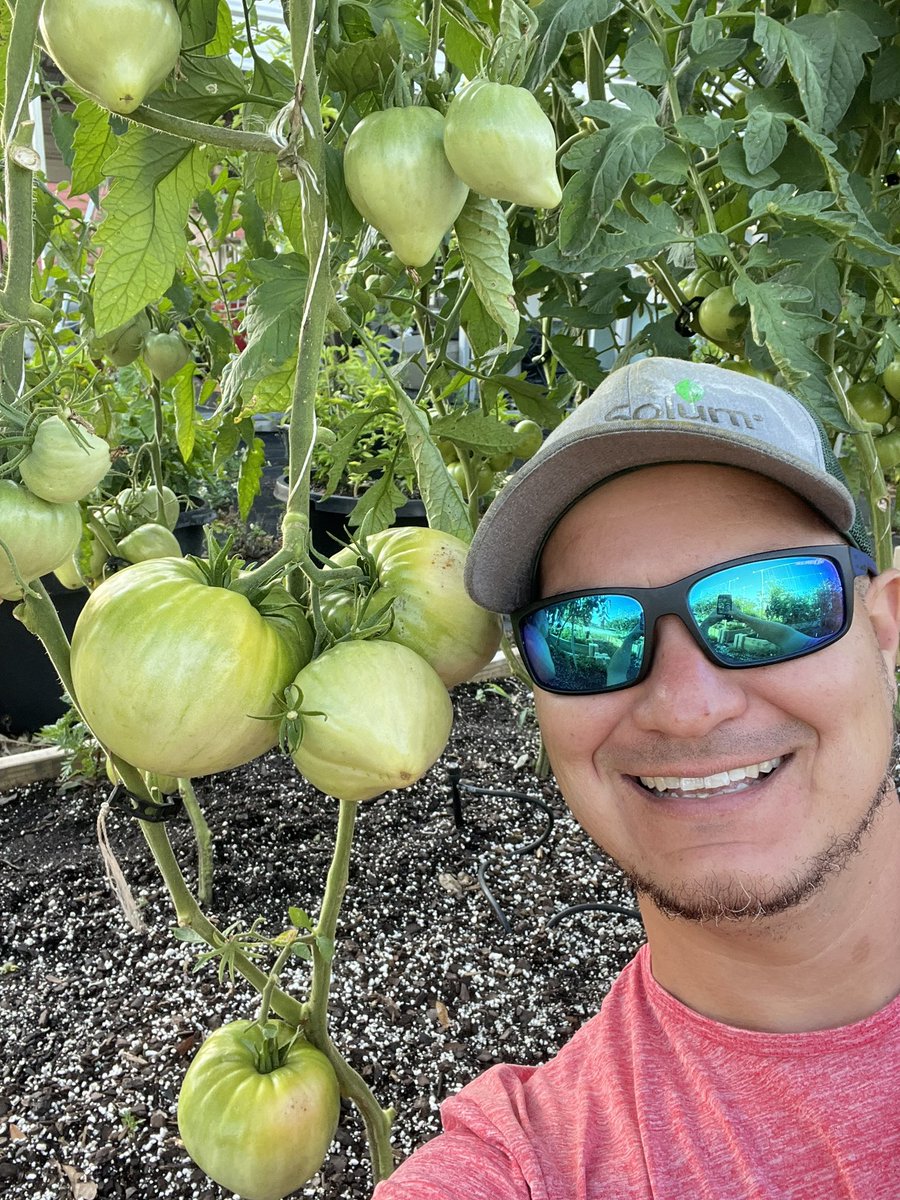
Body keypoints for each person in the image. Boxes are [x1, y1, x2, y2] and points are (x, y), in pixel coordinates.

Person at [372, 356, 900, 1199]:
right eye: (588, 634)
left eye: (771, 599)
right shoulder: (534, 1165)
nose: (685, 707)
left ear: (885, 625)